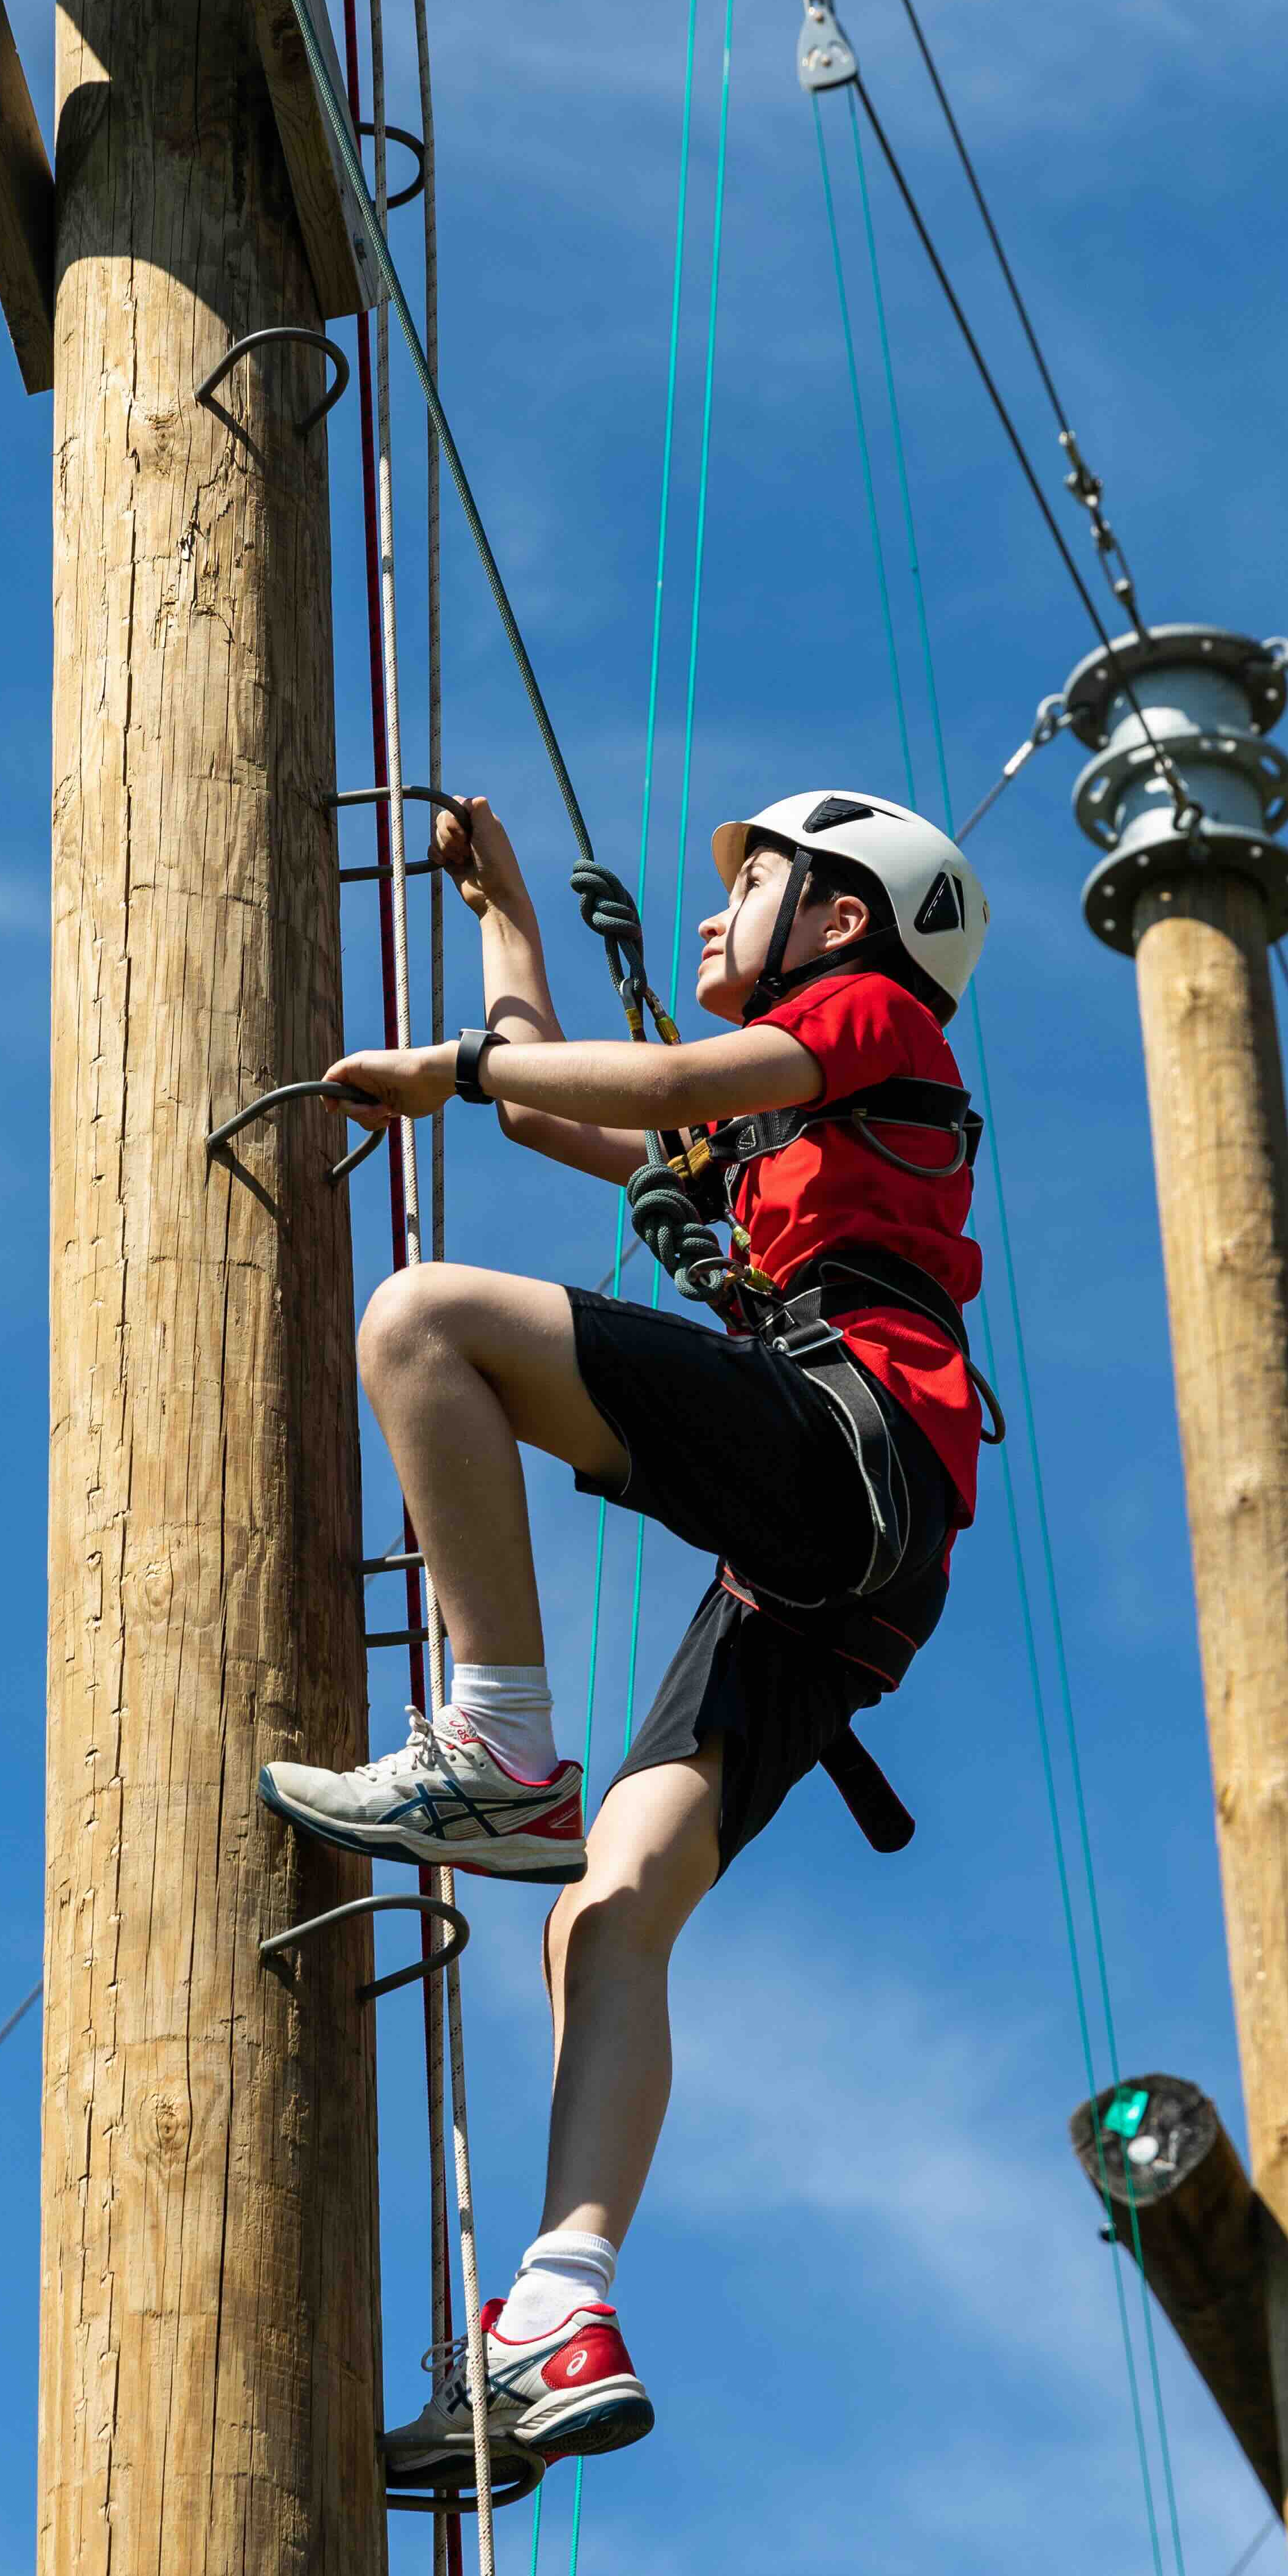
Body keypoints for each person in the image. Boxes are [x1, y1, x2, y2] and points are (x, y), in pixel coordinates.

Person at [257, 787, 991, 2476]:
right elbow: (561, 1115)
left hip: (854, 1437)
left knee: (428, 1321)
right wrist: (504, 922)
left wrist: (447, 1067)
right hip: (847, 1568)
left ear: (847, 919)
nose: (718, 912)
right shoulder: (783, 1120)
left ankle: (499, 1741)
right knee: (612, 1907)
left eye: (757, 889)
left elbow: (645, 1087)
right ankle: (558, 2310)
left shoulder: (877, 1021)